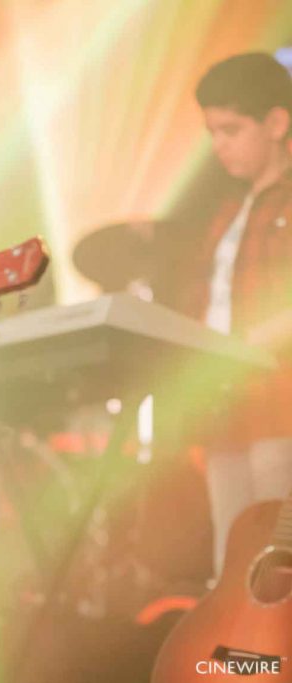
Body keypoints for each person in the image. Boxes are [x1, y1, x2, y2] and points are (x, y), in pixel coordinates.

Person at [189, 52, 292, 577]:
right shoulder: (228, 211)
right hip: (226, 409)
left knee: (277, 563)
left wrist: (255, 340)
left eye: (231, 130)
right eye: (212, 132)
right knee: (232, 566)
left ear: (276, 123)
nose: (219, 145)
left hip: (280, 403)